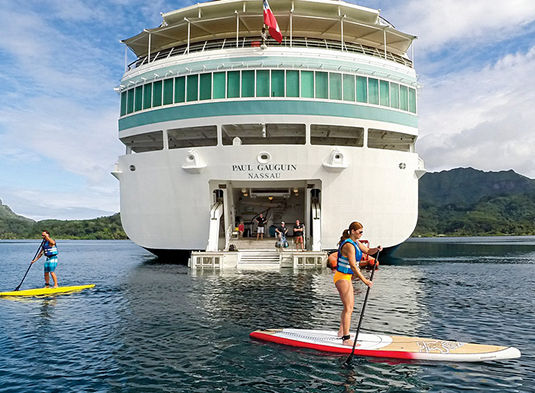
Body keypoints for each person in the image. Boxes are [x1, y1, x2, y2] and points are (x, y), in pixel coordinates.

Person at [334, 221, 382, 346]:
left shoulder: (356, 242)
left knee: (348, 307)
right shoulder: (349, 245)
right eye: (360, 232)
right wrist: (365, 280)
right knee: (349, 308)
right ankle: (346, 339)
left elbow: (367, 250)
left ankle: (341, 332)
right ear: (353, 231)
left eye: (362, 232)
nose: (361, 234)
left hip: (346, 277)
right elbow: (353, 267)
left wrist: (376, 249)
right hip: (341, 277)